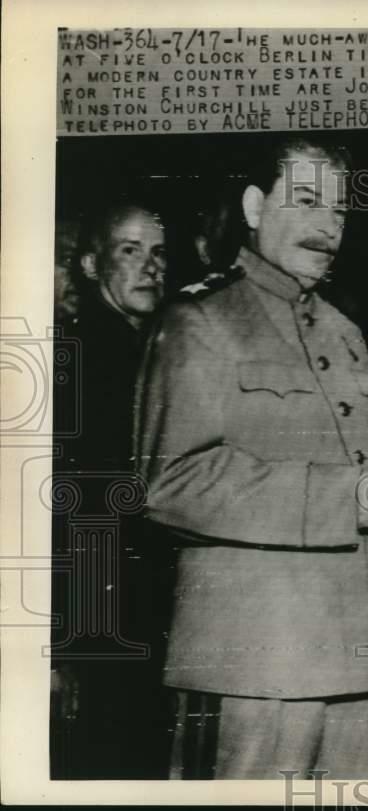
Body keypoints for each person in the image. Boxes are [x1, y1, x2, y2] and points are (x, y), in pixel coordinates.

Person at [135, 135, 368, 779]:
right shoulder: (201, 321)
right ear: (255, 206)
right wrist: (349, 498)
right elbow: (171, 481)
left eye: (338, 209)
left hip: (357, 659)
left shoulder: (345, 332)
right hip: (256, 663)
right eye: (307, 200)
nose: (326, 226)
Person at [50, 202, 172, 778]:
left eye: (158, 253)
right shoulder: (76, 360)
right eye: (131, 251)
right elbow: (58, 512)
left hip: (146, 612)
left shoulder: (159, 349)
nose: (151, 267)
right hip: (99, 621)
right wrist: (63, 645)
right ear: (94, 264)